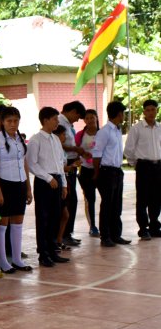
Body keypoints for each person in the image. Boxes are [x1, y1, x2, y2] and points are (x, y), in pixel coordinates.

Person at [0, 106, 32, 274]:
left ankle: (17, 259)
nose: (13, 124)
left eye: (16, 121)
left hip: (20, 184)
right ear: (2, 122)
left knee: (18, 223)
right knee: (2, 224)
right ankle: (4, 262)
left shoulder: (20, 139)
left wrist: (28, 188)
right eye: (9, 121)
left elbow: (24, 164)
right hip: (4, 184)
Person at [27, 107, 69, 267]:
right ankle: (43, 253)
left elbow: (59, 163)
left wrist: (63, 184)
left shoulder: (56, 139)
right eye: (54, 119)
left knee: (55, 217)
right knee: (43, 218)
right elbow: (32, 163)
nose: (57, 122)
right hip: (44, 182)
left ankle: (53, 250)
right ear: (45, 120)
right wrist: (48, 177)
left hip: (57, 180)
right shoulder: (36, 140)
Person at [94, 101, 131, 247]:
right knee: (107, 205)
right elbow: (97, 154)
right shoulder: (104, 131)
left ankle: (116, 235)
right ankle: (106, 236)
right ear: (118, 113)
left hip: (117, 171)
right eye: (123, 113)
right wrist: (97, 174)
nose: (124, 116)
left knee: (117, 205)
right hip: (107, 172)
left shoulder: (117, 130)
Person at [124, 99, 161, 240]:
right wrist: (137, 165)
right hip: (144, 167)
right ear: (144, 112)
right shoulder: (137, 128)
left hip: (158, 166)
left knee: (157, 198)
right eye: (148, 110)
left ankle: (154, 227)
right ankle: (143, 228)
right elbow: (129, 150)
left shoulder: (159, 127)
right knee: (143, 199)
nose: (151, 112)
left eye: (154, 109)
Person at [58, 101, 87, 247]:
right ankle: (62, 235)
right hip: (64, 165)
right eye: (77, 116)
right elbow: (58, 142)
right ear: (73, 111)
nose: (77, 120)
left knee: (72, 201)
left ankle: (68, 233)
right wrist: (75, 149)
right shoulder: (58, 122)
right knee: (68, 201)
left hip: (71, 163)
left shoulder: (68, 124)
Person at [75, 109, 100, 237]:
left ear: (96, 118)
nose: (90, 120)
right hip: (85, 170)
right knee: (90, 199)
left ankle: (106, 225)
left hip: (101, 170)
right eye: (87, 118)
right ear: (84, 120)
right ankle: (93, 226)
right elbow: (76, 150)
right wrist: (83, 155)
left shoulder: (102, 133)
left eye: (92, 117)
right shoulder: (80, 135)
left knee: (106, 199)